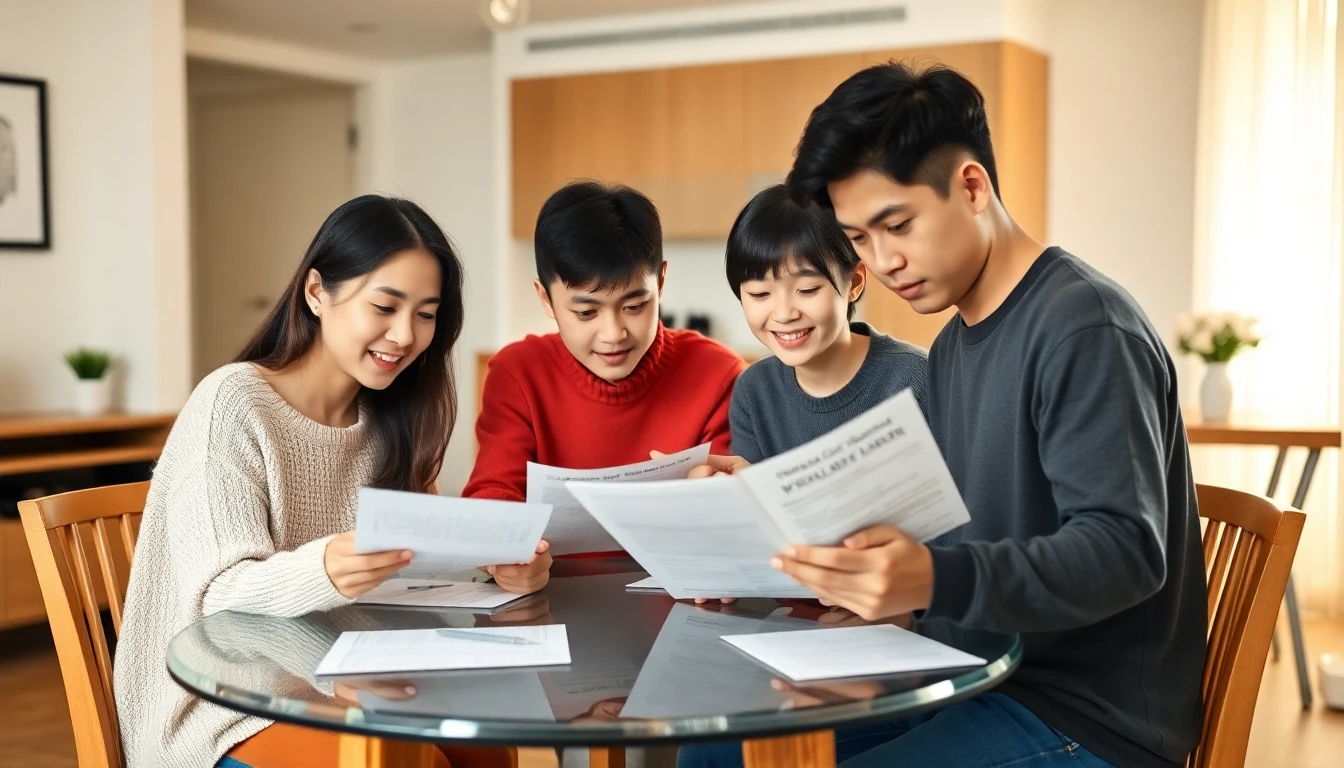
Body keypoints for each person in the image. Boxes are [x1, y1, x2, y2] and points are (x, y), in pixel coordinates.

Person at [680, 62, 1205, 768]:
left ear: (972, 186)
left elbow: (1124, 551)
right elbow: (969, 529)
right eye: (860, 239)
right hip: (968, 672)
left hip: (1086, 716)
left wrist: (932, 579)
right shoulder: (954, 345)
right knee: (714, 752)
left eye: (897, 224)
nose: (885, 260)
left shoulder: (1083, 326)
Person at [113, 195, 548, 768]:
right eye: (385, 306)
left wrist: (497, 569)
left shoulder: (393, 421)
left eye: (425, 313)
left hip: (346, 684)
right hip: (221, 713)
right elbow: (218, 597)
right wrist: (326, 570)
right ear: (317, 291)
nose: (404, 335)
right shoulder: (233, 405)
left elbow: (419, 571)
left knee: (490, 752)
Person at [463, 181, 746, 516]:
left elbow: (730, 501)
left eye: (634, 306)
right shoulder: (518, 373)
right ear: (545, 299)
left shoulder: (718, 374)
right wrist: (509, 550)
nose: (613, 334)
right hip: (548, 570)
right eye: (586, 312)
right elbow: (493, 493)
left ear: (661, 282)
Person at [723, 183, 928, 464]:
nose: (784, 314)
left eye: (806, 290)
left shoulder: (914, 378)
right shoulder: (754, 391)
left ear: (854, 283)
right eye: (760, 294)